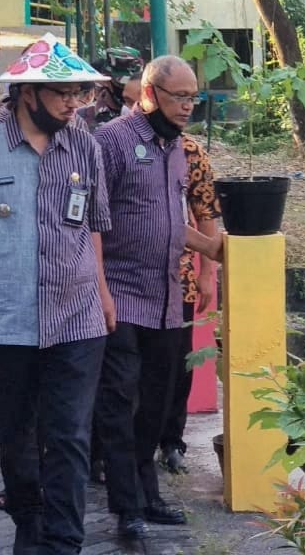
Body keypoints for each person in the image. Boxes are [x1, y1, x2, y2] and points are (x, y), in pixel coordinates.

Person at [0, 33, 115, 555]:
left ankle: (64, 543)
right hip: (4, 318)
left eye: (79, 92)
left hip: (76, 317)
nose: (73, 102)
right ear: (28, 93)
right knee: (17, 435)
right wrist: (3, 265)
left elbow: (93, 228)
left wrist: (103, 294)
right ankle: (29, 527)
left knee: (68, 436)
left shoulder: (86, 144)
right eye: (62, 92)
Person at [92, 56, 223, 540]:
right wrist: (99, 288)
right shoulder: (112, 143)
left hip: (169, 295)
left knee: (157, 402)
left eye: (194, 97)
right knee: (120, 402)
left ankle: (148, 492)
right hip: (121, 296)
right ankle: (127, 508)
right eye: (180, 97)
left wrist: (210, 251)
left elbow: (167, 220)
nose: (189, 106)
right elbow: (91, 223)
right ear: (149, 93)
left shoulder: (177, 149)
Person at [158, 134, 221, 474]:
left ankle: (171, 441)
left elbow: (206, 208)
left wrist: (208, 272)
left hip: (179, 276)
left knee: (177, 364)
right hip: (128, 278)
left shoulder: (189, 149)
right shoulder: (117, 142)